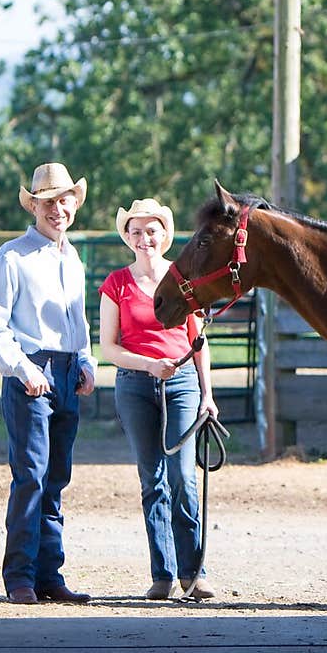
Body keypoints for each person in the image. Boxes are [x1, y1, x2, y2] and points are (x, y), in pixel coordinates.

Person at [0, 162, 97, 605]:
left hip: (66, 369)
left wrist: (85, 360)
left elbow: (78, 321)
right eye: (48, 202)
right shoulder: (11, 256)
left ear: (73, 205)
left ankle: (50, 574)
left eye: (64, 200)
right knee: (30, 474)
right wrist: (21, 368)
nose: (58, 209)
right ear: (35, 207)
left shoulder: (73, 258)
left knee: (56, 477)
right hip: (32, 368)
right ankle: (20, 577)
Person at [98, 198, 219, 602]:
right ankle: (163, 573)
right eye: (136, 231)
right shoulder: (117, 284)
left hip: (181, 382)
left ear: (164, 235)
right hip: (135, 384)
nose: (144, 238)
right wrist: (148, 365)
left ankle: (195, 572)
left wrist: (207, 392)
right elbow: (109, 348)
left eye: (151, 230)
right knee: (152, 478)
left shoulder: (182, 277)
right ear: (127, 237)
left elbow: (198, 340)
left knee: (183, 477)